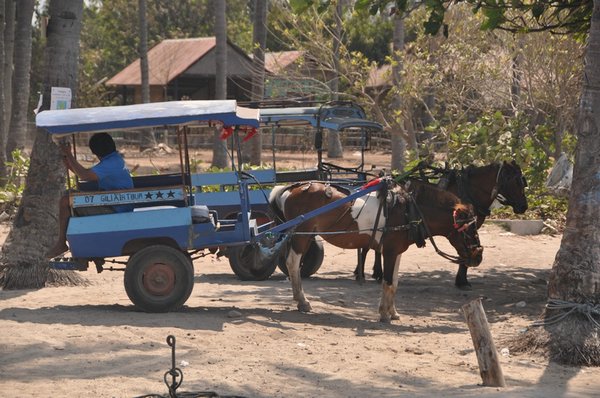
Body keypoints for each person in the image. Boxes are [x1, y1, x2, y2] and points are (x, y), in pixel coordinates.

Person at [46, 133, 134, 259]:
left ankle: (61, 243)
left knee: (66, 201)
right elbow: (88, 175)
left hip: (115, 209)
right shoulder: (114, 159)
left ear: (95, 151)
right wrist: (69, 162)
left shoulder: (111, 163)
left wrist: (69, 154)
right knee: (68, 196)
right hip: (115, 204)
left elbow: (85, 176)